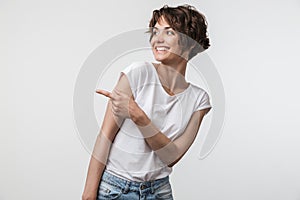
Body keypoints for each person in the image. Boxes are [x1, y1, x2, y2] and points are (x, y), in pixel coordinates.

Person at [82, 4, 212, 200]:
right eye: (155, 32)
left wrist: (138, 115)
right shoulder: (137, 73)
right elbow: (105, 136)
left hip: (159, 192)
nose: (157, 39)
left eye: (169, 32)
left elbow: (171, 157)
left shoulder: (199, 100)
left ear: (190, 43)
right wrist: (88, 195)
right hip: (114, 190)